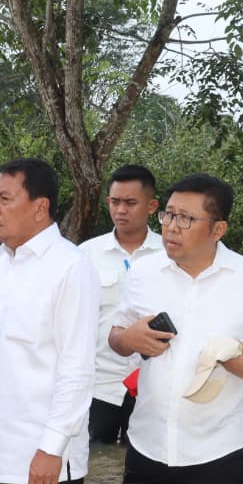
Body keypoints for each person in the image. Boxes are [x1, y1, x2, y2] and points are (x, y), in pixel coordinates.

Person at [110, 174, 243, 484]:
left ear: (217, 230)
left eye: (186, 219)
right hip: (145, 442)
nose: (171, 227)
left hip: (217, 451)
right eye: (168, 214)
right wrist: (129, 338)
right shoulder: (143, 273)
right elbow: (115, 337)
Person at [0, 158, 99, 484]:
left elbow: (77, 369)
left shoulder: (71, 266)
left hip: (44, 456)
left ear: (40, 207)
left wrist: (52, 447)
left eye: (4, 199)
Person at [79, 164, 163, 444]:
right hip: (99, 384)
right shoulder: (86, 255)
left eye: (130, 203)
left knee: (142, 462)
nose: (121, 210)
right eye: (115, 202)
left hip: (155, 384)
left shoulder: (169, 254)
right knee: (94, 463)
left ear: (151, 206)